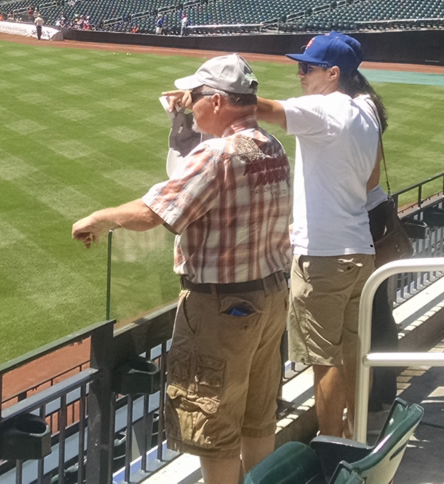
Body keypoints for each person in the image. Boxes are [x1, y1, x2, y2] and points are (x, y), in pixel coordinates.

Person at [72, 56, 290, 484]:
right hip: (271, 297)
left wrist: (101, 217)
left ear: (219, 101)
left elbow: (154, 212)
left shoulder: (217, 154)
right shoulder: (272, 146)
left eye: (195, 97)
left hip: (222, 308)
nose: (190, 105)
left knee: (214, 428)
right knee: (257, 417)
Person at [252, 32, 383, 438]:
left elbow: (264, 109)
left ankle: (333, 453)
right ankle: (357, 439)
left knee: (325, 360)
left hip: (324, 257)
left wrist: (209, 95)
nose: (299, 74)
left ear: (332, 74)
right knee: (355, 356)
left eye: (307, 68)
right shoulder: (366, 112)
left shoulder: (325, 110)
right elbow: (371, 182)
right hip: (360, 253)